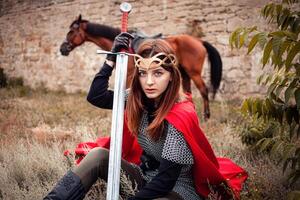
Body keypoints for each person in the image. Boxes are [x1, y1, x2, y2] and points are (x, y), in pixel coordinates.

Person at [44, 33, 247, 200]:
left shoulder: (181, 114)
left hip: (176, 190)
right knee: (98, 155)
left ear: (171, 76)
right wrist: (110, 60)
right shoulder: (137, 97)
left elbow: (165, 181)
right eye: (143, 73)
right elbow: (96, 96)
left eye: (158, 73)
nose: (149, 82)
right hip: (145, 177)